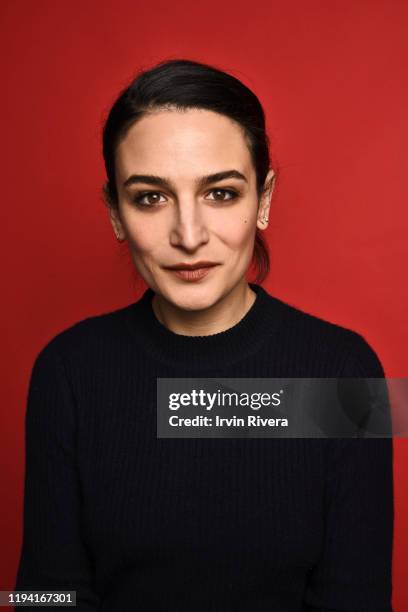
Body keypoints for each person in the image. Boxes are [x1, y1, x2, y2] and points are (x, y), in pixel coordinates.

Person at [15, 58, 393, 611]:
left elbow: (357, 600)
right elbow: (43, 597)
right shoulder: (68, 372)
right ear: (115, 212)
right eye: (150, 197)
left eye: (220, 193)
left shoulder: (346, 372)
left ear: (263, 199)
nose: (188, 236)